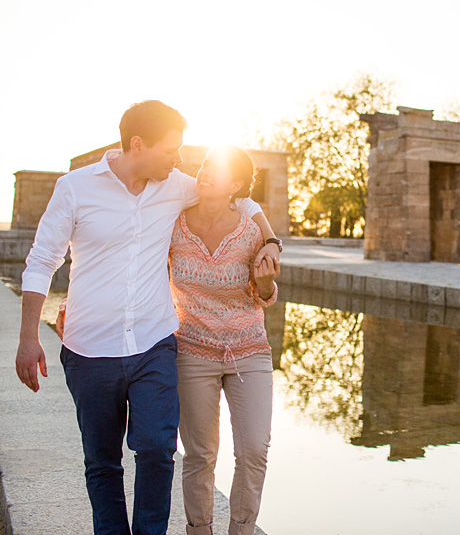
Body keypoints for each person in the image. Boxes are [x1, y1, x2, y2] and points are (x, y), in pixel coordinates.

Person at [15, 101, 281, 535]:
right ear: (138, 145)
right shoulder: (74, 188)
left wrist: (270, 239)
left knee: (158, 448)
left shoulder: (175, 185)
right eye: (171, 150)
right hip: (88, 347)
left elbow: (239, 193)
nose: (181, 161)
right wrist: (29, 337)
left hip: (154, 344)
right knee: (102, 461)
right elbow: (43, 260)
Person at [170, 146, 277, 535]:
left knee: (254, 450)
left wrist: (266, 283)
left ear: (236, 185)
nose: (205, 172)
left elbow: (264, 294)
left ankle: (242, 530)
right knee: (200, 455)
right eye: (204, 165)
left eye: (217, 169)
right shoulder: (174, 225)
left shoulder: (251, 232)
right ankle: (199, 530)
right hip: (192, 352)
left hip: (249, 352)